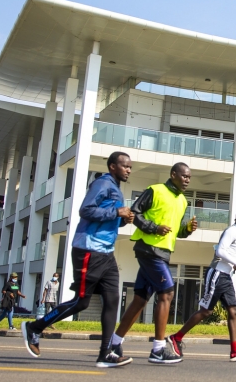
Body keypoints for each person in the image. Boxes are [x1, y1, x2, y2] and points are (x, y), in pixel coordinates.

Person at [22, 152, 134, 368]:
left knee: (112, 301)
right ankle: (34, 328)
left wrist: (123, 219)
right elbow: (86, 210)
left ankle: (105, 354)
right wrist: (116, 211)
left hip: (107, 252)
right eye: (125, 166)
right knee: (81, 302)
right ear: (113, 166)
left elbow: (110, 219)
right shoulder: (102, 184)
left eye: (130, 167)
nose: (129, 170)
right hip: (88, 250)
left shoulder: (116, 189)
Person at [108, 162, 198, 364]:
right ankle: (158, 349)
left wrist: (188, 230)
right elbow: (133, 213)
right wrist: (154, 227)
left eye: (189, 178)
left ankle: (113, 343)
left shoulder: (183, 201)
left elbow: (176, 231)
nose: (187, 180)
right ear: (173, 174)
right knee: (167, 292)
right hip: (148, 249)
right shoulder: (155, 190)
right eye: (184, 176)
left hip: (164, 252)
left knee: (140, 299)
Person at [167, 207, 236, 362]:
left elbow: (225, 253)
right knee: (206, 311)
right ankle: (176, 338)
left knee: (233, 310)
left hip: (226, 276)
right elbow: (220, 251)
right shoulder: (232, 231)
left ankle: (235, 350)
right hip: (217, 275)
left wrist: (232, 265)